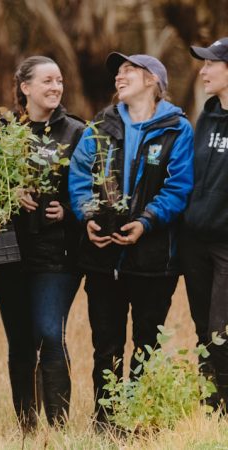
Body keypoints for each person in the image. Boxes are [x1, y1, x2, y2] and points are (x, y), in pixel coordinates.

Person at [68, 53, 193, 428]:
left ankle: (137, 420)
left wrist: (145, 222)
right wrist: (88, 215)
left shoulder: (176, 129)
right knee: (105, 346)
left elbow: (179, 186)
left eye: (129, 71)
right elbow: (79, 177)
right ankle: (105, 423)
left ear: (152, 81)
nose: (119, 77)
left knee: (145, 345)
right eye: (118, 72)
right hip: (103, 258)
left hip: (154, 261)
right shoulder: (99, 127)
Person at [0, 56, 84, 430]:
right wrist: (9, 194)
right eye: (47, 80)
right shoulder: (2, 130)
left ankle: (58, 428)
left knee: (47, 330)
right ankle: (27, 426)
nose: (56, 87)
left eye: (59, 80)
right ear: (25, 88)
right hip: (8, 252)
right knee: (20, 339)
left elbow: (94, 189)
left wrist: (68, 209)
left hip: (56, 254)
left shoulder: (77, 132)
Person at [182, 37, 228, 411]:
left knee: (220, 332)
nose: (203, 70)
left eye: (211, 63)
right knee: (202, 333)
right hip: (195, 242)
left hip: (226, 244)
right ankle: (211, 413)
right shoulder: (208, 113)